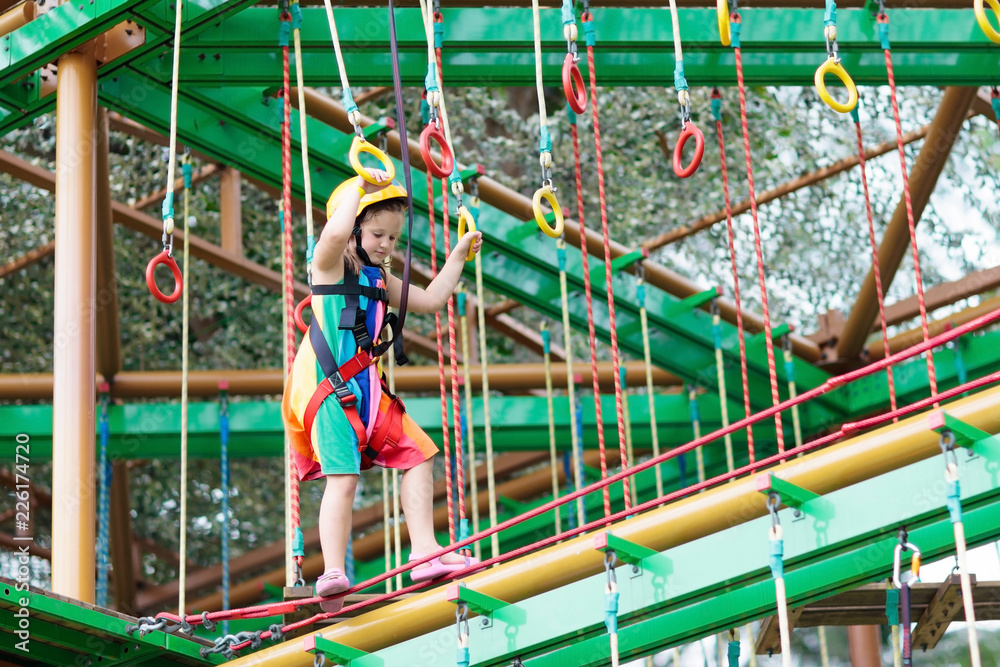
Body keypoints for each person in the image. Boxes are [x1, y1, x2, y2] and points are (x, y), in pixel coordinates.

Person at [282, 169, 483, 612]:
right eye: (377, 234)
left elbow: (430, 301)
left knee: (420, 454)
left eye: (393, 239)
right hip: (331, 392)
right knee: (344, 477)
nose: (386, 246)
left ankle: (425, 552)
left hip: (367, 391)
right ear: (353, 225)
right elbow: (334, 235)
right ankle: (332, 569)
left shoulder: (378, 279)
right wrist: (360, 186)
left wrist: (458, 257)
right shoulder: (328, 264)